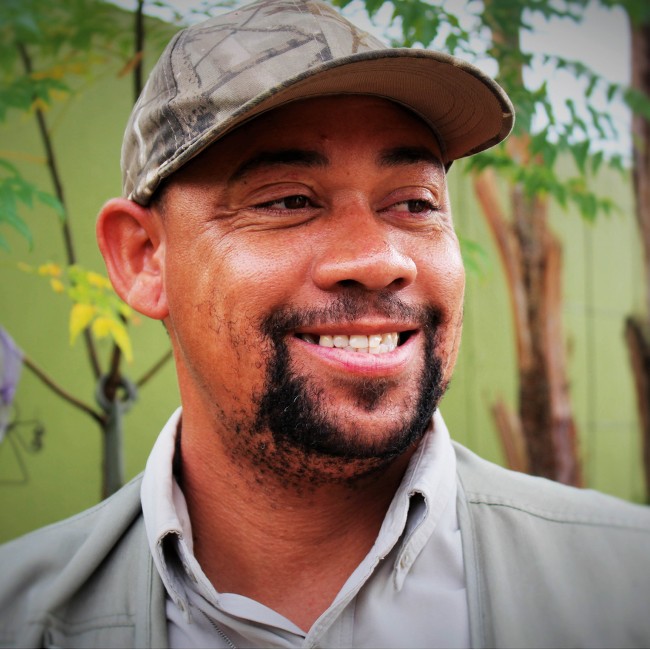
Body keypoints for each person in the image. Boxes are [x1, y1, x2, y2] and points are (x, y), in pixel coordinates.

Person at [1, 0, 649, 647]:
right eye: (288, 201)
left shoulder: (626, 586)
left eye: (415, 203)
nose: (379, 260)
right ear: (144, 257)